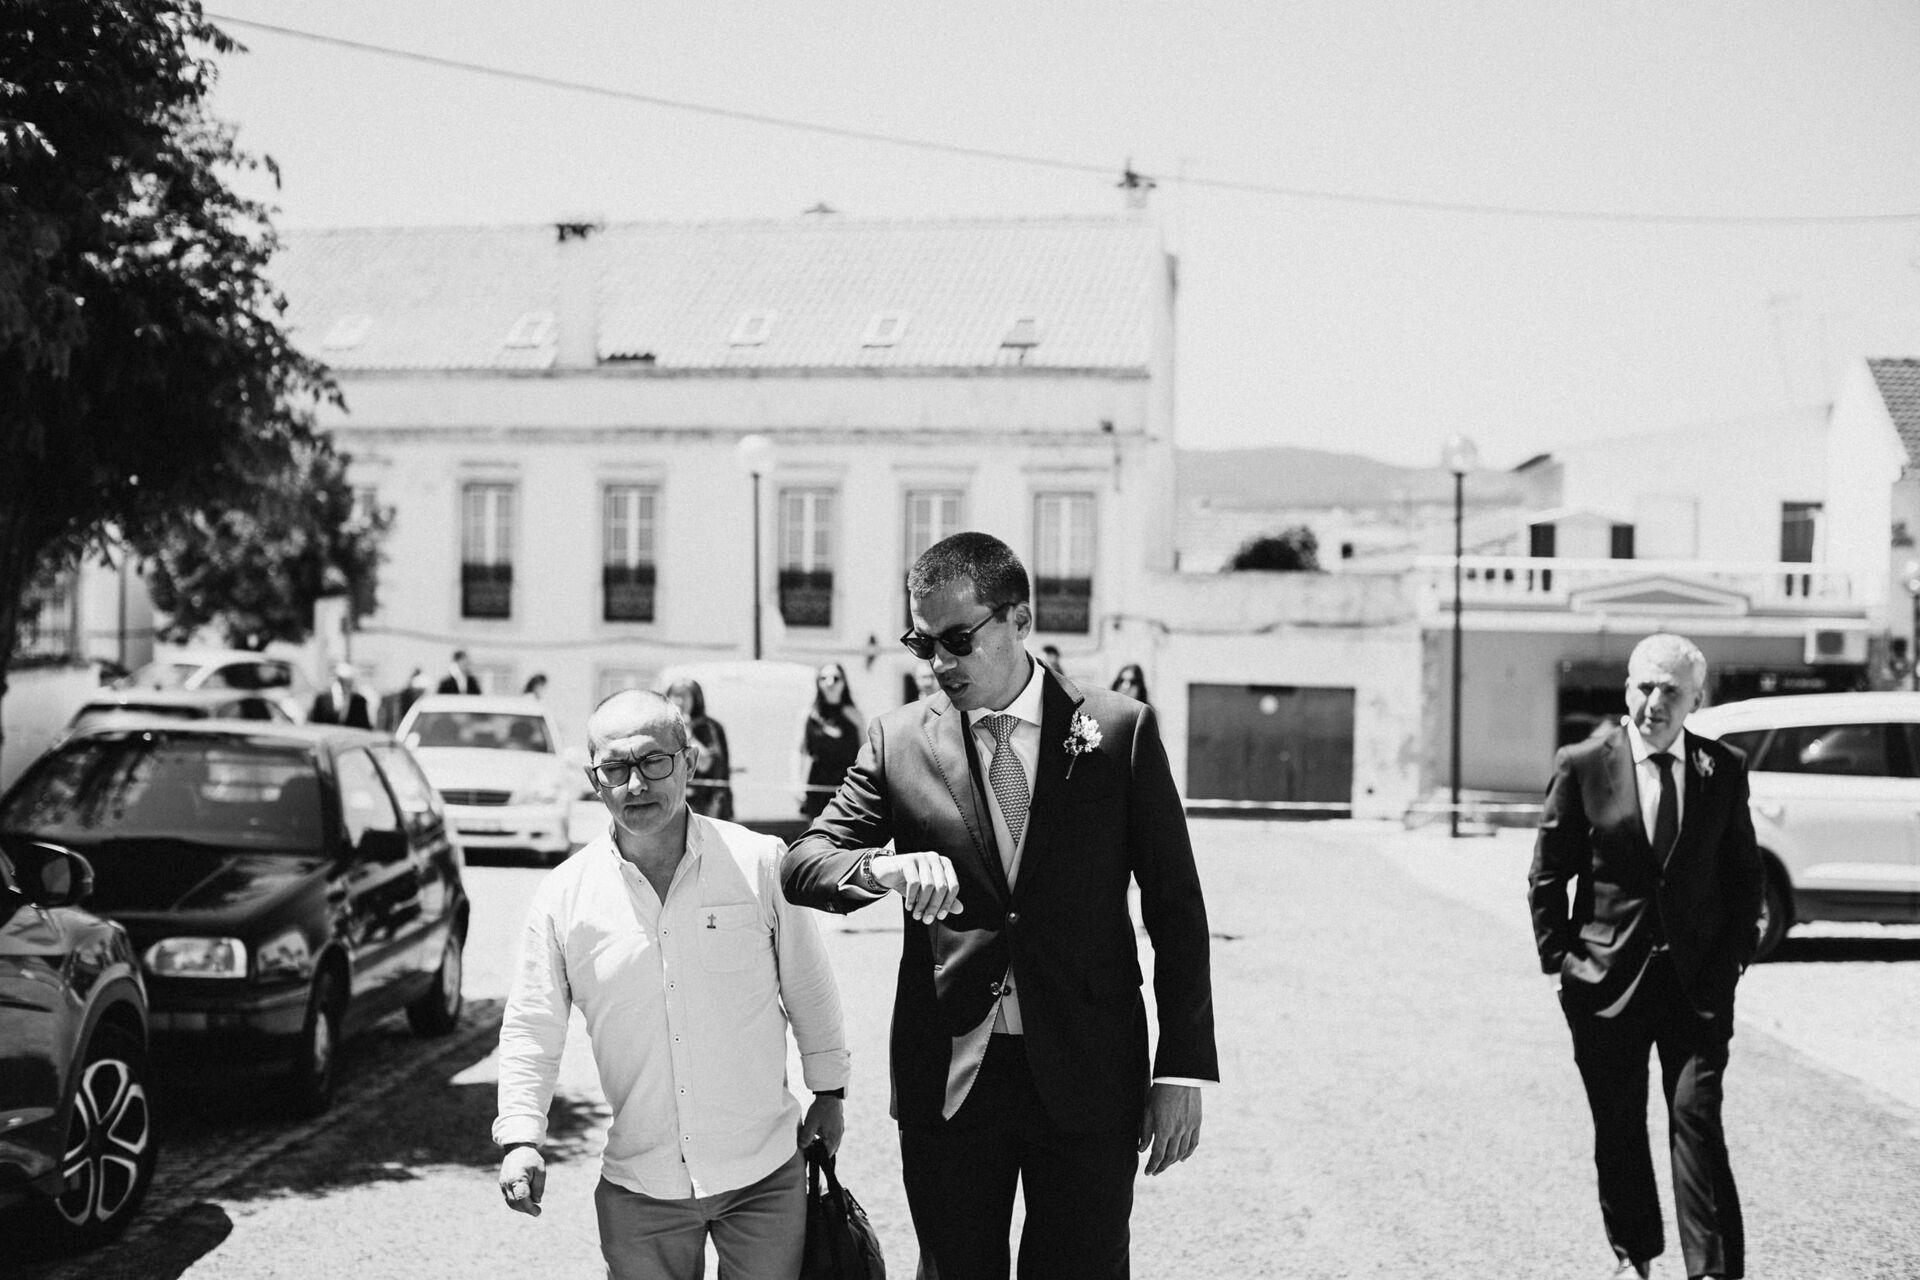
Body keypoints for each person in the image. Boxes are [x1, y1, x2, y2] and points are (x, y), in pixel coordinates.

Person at [782, 531, 1217, 1280]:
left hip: (1089, 1072)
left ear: (1020, 621)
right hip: (950, 1078)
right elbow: (804, 863)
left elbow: (1175, 910)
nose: (941, 664)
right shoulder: (897, 743)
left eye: (958, 639)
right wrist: (882, 870)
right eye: (924, 645)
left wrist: (1181, 1068)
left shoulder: (1121, 731)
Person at [494, 689, 849, 1280]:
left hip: (762, 1173)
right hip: (641, 1184)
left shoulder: (759, 862)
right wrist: (521, 1138)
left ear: (689, 761)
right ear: (594, 779)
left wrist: (830, 1092)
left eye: (654, 761)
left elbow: (809, 985)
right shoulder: (564, 895)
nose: (636, 784)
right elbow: (533, 1024)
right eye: (616, 768)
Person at [1528, 633, 1762, 1280]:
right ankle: (1636, 1252)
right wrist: (1562, 966)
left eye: (1671, 691)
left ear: (1695, 699)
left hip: (1697, 986)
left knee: (1697, 1120)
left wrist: (1732, 960)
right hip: (1604, 985)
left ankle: (1712, 1269)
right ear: (1628, 688)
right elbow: (1549, 875)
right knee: (1620, 1125)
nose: (1654, 702)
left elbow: (1744, 876)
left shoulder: (1723, 769)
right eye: (1644, 686)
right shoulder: (1583, 763)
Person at [801, 662, 865, 819]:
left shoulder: (854, 715)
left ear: (844, 683)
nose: (830, 683)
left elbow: (865, 751)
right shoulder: (809, 714)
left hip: (847, 787)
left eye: (835, 678)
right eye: (824, 678)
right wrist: (798, 785)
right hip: (817, 787)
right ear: (818, 683)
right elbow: (800, 752)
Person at [666, 677, 732, 821]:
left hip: (705, 803)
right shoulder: (663, 727)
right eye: (675, 695)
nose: (679, 701)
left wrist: (686, 731)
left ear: (695, 698)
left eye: (684, 695)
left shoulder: (708, 727)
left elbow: (705, 764)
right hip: (674, 800)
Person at [310, 662, 373, 729]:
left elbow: (365, 726)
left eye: (348, 682)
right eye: (341, 681)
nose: (344, 686)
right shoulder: (322, 699)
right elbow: (314, 724)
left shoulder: (359, 701)